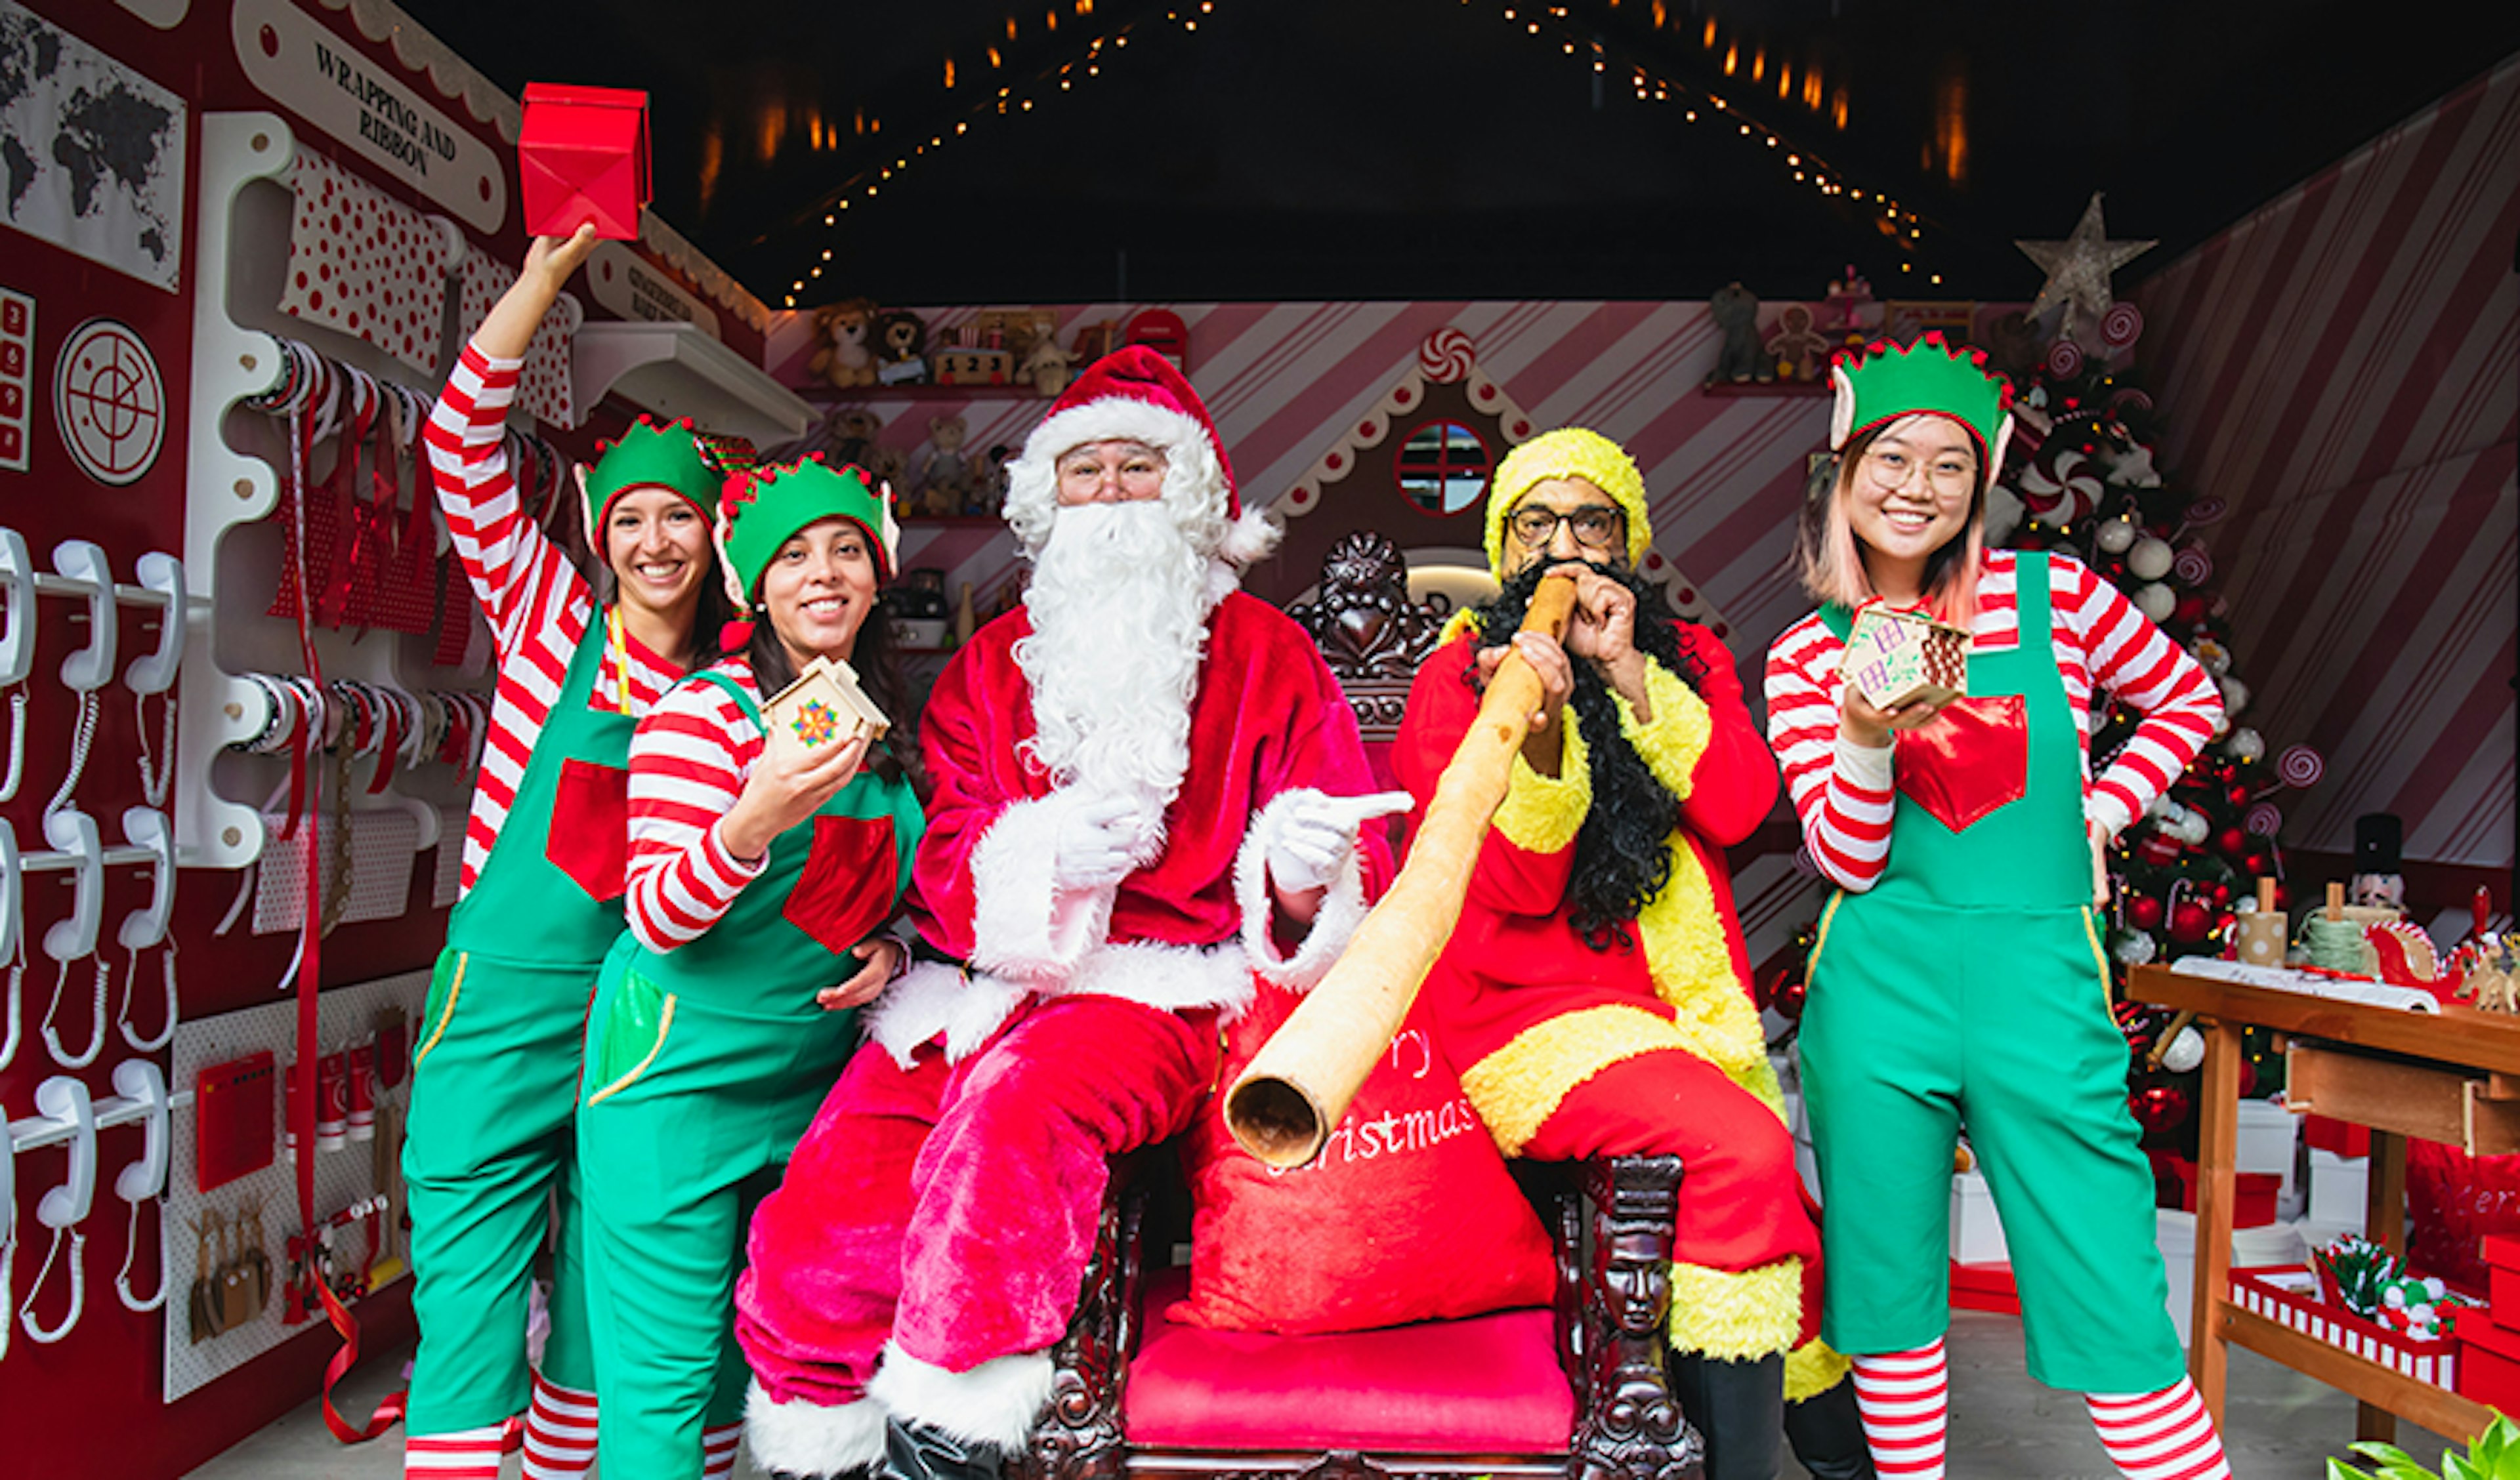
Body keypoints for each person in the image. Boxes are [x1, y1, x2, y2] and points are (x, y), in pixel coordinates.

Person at [733, 347, 1393, 1480]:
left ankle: (949, 1442)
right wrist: (1029, 857)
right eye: (1084, 470)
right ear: (1048, 499)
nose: (1112, 494)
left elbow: (1346, 866)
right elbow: (943, 854)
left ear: (1189, 494)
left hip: (1160, 991)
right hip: (984, 990)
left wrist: (1293, 874)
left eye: (1140, 466)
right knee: (823, 1201)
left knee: (1012, 1118)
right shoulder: (988, 665)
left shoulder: (1271, 657)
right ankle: (819, 1445)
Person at [1763, 335, 2232, 1480]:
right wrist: (1867, 735)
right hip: (1879, 992)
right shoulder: (1799, 655)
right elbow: (1849, 859)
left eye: (1948, 466)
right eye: (1892, 458)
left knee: (2106, 1277)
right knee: (1889, 1293)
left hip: (2042, 987)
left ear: (1981, 485)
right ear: (1845, 468)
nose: (1916, 488)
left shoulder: (2057, 596)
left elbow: (2187, 695)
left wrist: (2106, 809)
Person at [1393, 427, 1865, 1480]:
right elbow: (1517, 885)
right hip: (1524, 1018)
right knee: (1746, 1157)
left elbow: (1742, 806)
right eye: (1536, 524)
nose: (1565, 547)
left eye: (1592, 521)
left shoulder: (1684, 657)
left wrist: (1631, 676)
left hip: (1675, 1013)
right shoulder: (1454, 677)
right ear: (1503, 549)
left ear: (1631, 545)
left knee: (1785, 1211)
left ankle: (1832, 1465)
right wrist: (1543, 726)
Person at [404, 224, 741, 1480]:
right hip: (500, 999)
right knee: (469, 1287)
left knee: (621, 1298)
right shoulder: (546, 616)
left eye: (684, 521)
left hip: (641, 1016)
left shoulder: (736, 688)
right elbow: (455, 451)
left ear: (716, 540)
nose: (658, 543)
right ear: (601, 531)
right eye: (636, 520)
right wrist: (541, 284)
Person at [575, 457, 926, 1480]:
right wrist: (754, 816)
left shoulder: (882, 720)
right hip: (671, 1081)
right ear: (748, 587)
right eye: (792, 556)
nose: (823, 573)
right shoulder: (704, 715)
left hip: (810, 1082)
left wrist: (894, 946)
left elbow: (912, 888)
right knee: (666, 1378)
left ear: (877, 574)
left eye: (846, 549)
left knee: (768, 1358)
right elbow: (658, 915)